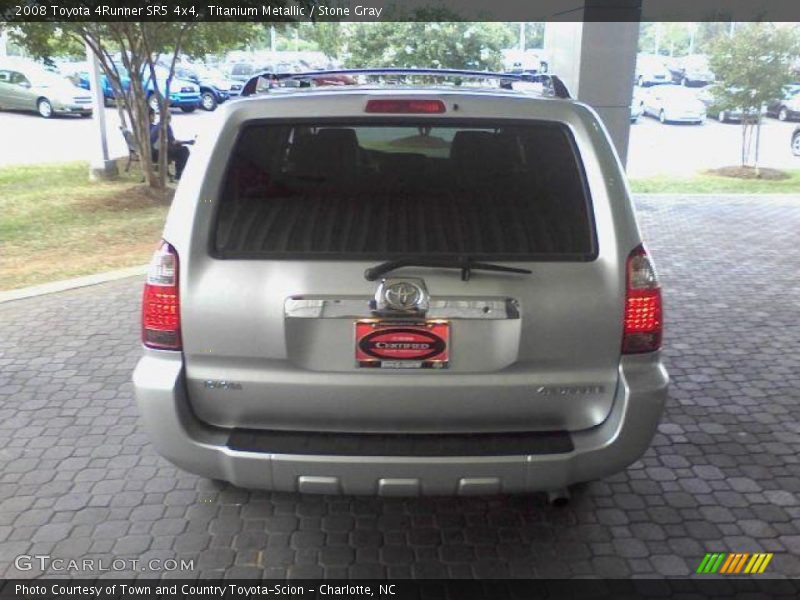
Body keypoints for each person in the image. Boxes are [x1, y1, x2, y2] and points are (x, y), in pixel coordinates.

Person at [149, 108, 191, 180]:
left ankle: (177, 173)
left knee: (179, 148)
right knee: (184, 151)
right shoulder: (166, 126)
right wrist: (187, 142)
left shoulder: (157, 126)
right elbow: (173, 142)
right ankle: (179, 174)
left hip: (153, 152)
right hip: (159, 153)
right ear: (168, 118)